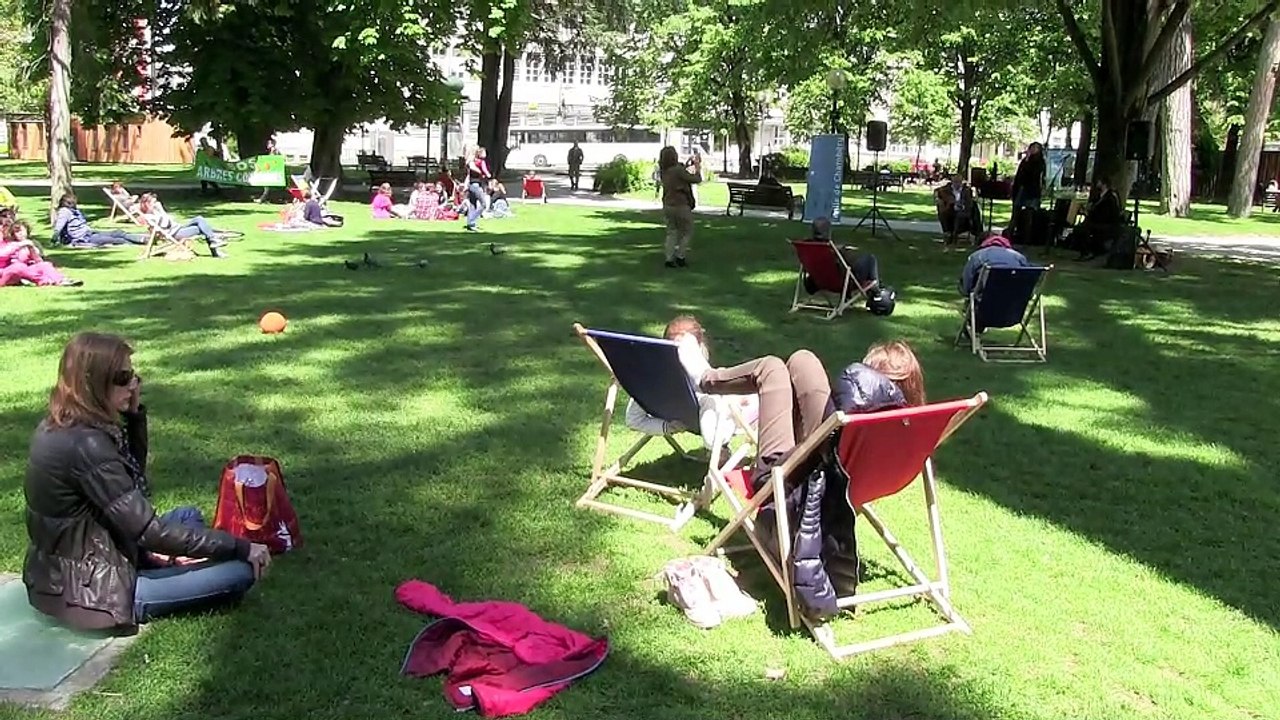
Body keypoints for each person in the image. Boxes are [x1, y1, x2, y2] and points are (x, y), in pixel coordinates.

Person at [23, 332, 271, 631]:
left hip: (70, 571)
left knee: (187, 515)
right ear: (94, 381)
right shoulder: (87, 446)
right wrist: (242, 547)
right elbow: (150, 530)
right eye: (123, 376)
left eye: (133, 375)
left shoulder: (62, 424)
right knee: (240, 570)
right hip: (96, 593)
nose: (133, 384)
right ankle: (159, 569)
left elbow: (133, 486)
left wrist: (134, 416)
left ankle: (160, 563)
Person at [625, 316, 759, 452]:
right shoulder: (706, 393)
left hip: (687, 418)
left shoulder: (653, 379)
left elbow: (633, 420)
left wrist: (668, 426)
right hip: (721, 419)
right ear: (699, 348)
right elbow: (712, 440)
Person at [137, 193, 229, 258]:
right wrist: (161, 210)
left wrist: (160, 211)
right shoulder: (149, 216)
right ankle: (215, 249)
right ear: (147, 204)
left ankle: (213, 241)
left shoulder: (154, 212)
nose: (156, 204)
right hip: (175, 233)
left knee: (199, 219)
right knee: (200, 228)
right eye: (153, 203)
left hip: (178, 228)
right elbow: (165, 223)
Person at [658, 146, 702, 268]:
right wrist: (697, 166)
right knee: (686, 231)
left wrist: (687, 165)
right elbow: (696, 179)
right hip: (681, 204)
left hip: (667, 204)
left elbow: (679, 177)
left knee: (671, 232)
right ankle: (680, 256)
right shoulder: (678, 170)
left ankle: (669, 258)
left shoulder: (664, 171)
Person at [1, 221, 81, 287]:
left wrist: (31, 249)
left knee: (45, 265)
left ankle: (60, 280)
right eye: (17, 232)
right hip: (6, 273)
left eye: (22, 231)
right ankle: (44, 280)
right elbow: (2, 255)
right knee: (18, 267)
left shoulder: (28, 244)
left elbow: (39, 261)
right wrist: (20, 244)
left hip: (24, 272)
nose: (20, 234)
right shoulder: (11, 244)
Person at [52, 194, 145, 247]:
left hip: (90, 232)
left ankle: (143, 239)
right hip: (83, 238)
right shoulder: (64, 211)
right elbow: (58, 227)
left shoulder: (74, 211)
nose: (74, 205)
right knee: (116, 240)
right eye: (72, 203)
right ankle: (139, 243)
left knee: (118, 232)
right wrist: (54, 240)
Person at [958, 232, 1031, 296]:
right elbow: (1028, 284)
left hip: (985, 301)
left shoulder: (977, 256)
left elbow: (966, 286)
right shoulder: (1019, 257)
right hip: (1014, 302)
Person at [1072, 176, 1125, 260]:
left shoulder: (1110, 197)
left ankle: (1088, 252)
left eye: (1099, 182)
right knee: (1080, 228)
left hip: (1106, 224)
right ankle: (1085, 251)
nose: (1097, 184)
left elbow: (1107, 214)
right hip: (1098, 221)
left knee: (1085, 228)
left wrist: (1092, 215)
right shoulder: (1099, 196)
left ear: (1104, 184)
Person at [934, 174, 980, 245]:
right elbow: (937, 192)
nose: (957, 184)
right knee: (944, 213)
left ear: (961, 182)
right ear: (952, 181)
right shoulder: (946, 190)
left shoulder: (967, 190)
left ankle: (954, 236)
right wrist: (939, 199)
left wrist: (962, 206)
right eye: (955, 182)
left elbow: (969, 202)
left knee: (963, 214)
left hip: (963, 211)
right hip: (950, 211)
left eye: (959, 182)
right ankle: (950, 235)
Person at [1010, 142, 1046, 220]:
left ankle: (1027, 230)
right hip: (1022, 188)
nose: (1032, 150)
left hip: (1032, 190)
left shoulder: (1040, 162)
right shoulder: (1025, 160)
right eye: (1031, 147)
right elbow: (1020, 174)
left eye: (1035, 148)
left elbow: (1036, 174)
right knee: (1016, 210)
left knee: (1029, 212)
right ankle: (1012, 228)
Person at [464, 147, 493, 232]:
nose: (486, 154)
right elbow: (485, 172)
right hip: (476, 185)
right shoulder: (480, 162)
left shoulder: (473, 162)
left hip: (471, 185)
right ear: (480, 153)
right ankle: (471, 221)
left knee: (473, 204)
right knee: (483, 204)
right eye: (484, 153)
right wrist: (487, 174)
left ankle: (471, 224)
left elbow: (470, 173)